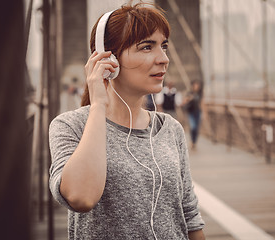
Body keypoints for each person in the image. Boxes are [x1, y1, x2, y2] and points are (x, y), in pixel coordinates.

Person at [48, 3, 205, 240]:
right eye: (146, 47)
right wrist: (99, 104)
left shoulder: (170, 129)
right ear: (108, 58)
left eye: (164, 46)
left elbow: (190, 217)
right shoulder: (70, 126)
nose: (163, 59)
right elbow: (81, 197)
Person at [183, 80, 203, 151]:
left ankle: (194, 142)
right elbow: (184, 101)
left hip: (197, 112)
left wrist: (204, 113)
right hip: (191, 112)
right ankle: (192, 141)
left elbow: (201, 103)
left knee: (197, 128)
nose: (197, 87)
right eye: (195, 85)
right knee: (193, 127)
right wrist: (189, 98)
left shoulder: (199, 94)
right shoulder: (189, 93)